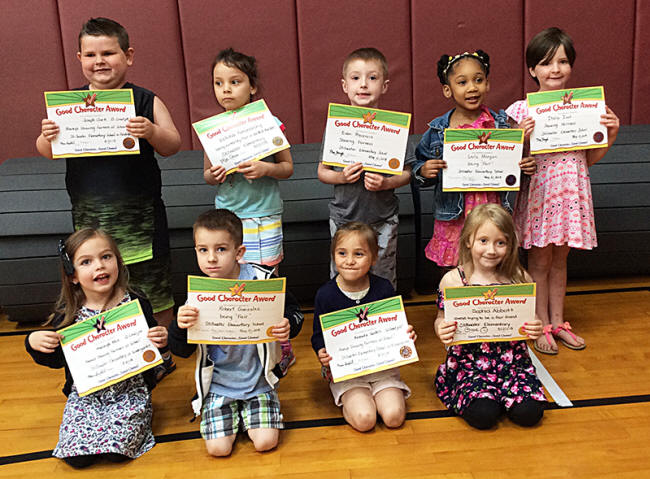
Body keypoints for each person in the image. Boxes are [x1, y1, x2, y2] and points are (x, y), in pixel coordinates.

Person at [35, 18, 181, 365]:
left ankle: (163, 356)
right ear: (79, 58)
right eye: (90, 54)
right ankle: (114, 359)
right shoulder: (69, 104)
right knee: (100, 291)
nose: (99, 60)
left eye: (108, 52)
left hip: (142, 220)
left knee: (155, 293)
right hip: (91, 223)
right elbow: (47, 150)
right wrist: (47, 134)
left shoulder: (145, 100)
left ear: (128, 56)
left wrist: (150, 131)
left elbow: (173, 144)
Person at [505, 28, 620, 354]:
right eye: (545, 63)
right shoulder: (519, 110)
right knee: (539, 262)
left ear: (571, 66)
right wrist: (520, 138)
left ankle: (558, 322)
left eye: (562, 61)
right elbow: (507, 163)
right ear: (532, 69)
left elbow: (588, 160)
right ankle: (539, 324)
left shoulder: (586, 108)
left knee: (560, 261)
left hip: (572, 193)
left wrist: (611, 135)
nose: (554, 69)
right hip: (542, 194)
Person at [25, 228, 169, 468]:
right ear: (73, 275)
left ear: (118, 262)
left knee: (118, 451)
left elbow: (154, 346)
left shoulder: (135, 303)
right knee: (76, 458)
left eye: (106, 257)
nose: (99, 266)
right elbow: (56, 360)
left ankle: (138, 421)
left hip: (129, 393)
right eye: (86, 262)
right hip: (86, 397)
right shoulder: (68, 314)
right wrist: (34, 342)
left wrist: (161, 340)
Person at [168, 209, 303, 456]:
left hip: (259, 381)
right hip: (219, 385)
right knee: (218, 449)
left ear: (239, 252)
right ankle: (235, 416)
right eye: (203, 250)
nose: (211, 258)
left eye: (220, 249)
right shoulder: (197, 295)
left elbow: (295, 312)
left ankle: (251, 414)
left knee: (265, 443)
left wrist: (288, 325)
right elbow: (181, 351)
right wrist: (179, 326)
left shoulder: (262, 281)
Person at [203, 48, 296, 370]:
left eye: (235, 81)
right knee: (231, 281)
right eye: (218, 83)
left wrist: (265, 169)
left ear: (252, 86)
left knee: (267, 281)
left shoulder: (268, 122)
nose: (226, 89)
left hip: (264, 216)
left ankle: (278, 347)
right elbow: (207, 174)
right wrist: (212, 175)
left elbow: (287, 168)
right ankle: (239, 345)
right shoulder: (212, 128)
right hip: (228, 219)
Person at [409, 50, 536, 267]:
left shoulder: (502, 124)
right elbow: (418, 167)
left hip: (492, 209)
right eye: (462, 82)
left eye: (478, 80)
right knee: (454, 267)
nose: (472, 87)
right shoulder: (439, 130)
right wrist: (424, 170)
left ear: (487, 84)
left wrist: (526, 165)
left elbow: (515, 167)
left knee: (493, 264)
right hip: (454, 216)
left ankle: (489, 302)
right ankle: (451, 302)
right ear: (448, 90)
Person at [434, 204, 546, 429]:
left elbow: (531, 318)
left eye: (500, 243)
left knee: (529, 414)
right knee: (483, 415)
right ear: (468, 241)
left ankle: (506, 396)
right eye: (483, 241)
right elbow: (440, 318)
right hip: (469, 363)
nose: (491, 250)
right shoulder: (453, 280)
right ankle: (486, 396)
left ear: (509, 245)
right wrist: (441, 329)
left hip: (513, 363)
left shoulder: (520, 278)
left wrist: (536, 328)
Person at [317, 47, 412, 288]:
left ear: (385, 85)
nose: (363, 85)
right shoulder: (337, 126)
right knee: (344, 275)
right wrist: (341, 177)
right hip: (344, 218)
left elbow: (407, 173)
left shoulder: (394, 127)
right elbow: (322, 172)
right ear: (344, 85)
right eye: (356, 78)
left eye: (372, 78)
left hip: (381, 218)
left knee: (382, 273)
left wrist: (387, 182)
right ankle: (345, 322)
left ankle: (385, 321)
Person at [311, 221, 416, 432]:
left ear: (374, 258)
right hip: (347, 371)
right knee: (365, 420)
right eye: (342, 253)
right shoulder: (326, 294)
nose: (349, 261)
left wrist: (406, 335)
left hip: (382, 369)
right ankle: (351, 397)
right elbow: (318, 336)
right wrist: (321, 351)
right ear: (333, 256)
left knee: (394, 418)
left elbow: (396, 326)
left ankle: (377, 394)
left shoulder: (384, 288)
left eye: (359, 254)